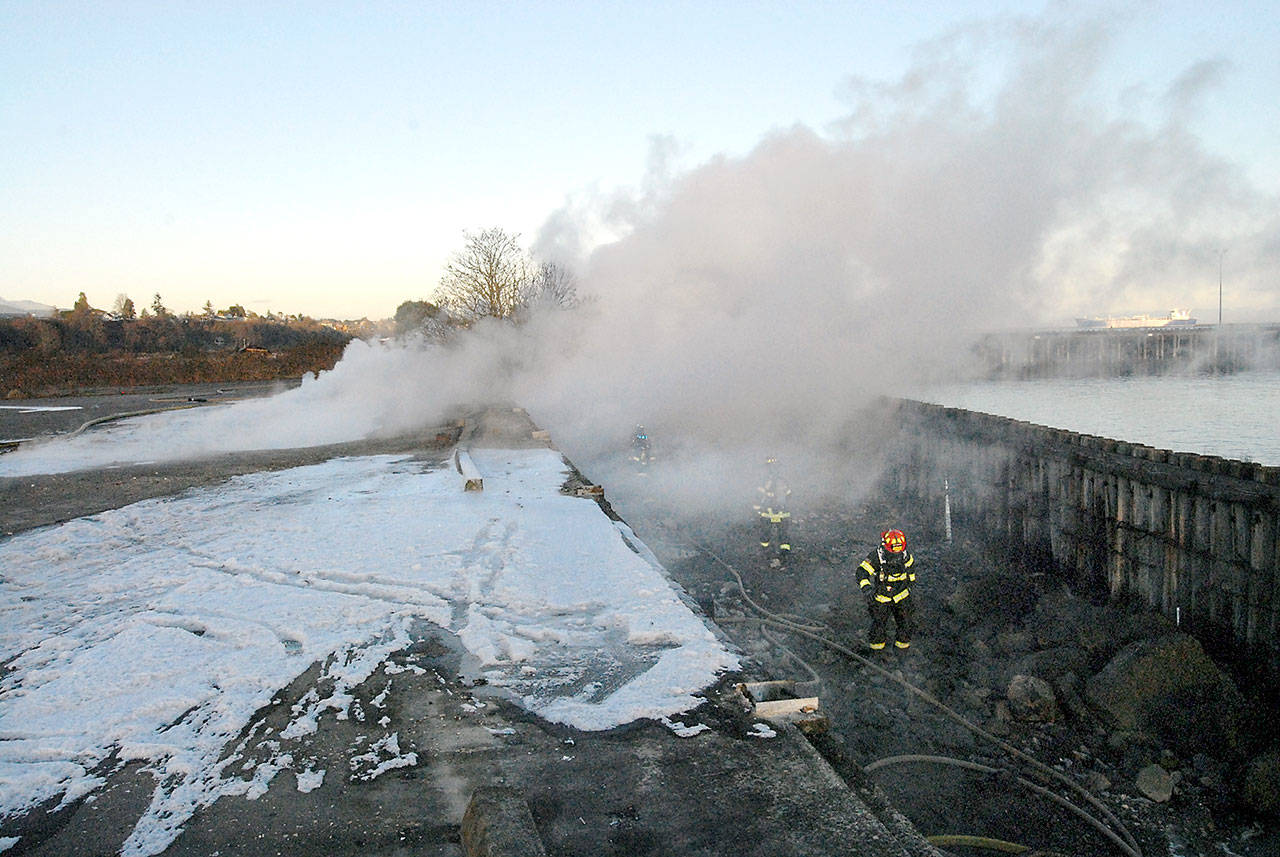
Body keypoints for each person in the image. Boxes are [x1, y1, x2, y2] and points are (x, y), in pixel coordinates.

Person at [857, 529, 916, 650]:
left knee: (906, 624)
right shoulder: (877, 556)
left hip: (902, 596)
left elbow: (911, 572)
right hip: (881, 598)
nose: (896, 554)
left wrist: (910, 586)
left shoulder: (906, 556)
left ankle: (902, 652)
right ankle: (877, 654)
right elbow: (861, 572)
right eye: (893, 551)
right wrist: (866, 588)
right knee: (878, 625)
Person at [754, 456, 792, 566]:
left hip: (767, 514)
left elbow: (759, 497)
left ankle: (764, 553)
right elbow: (789, 496)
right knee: (783, 535)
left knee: (765, 535)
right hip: (783, 513)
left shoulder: (765, 481)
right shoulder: (783, 481)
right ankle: (785, 556)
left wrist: (757, 511)